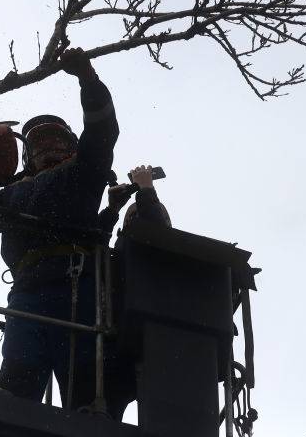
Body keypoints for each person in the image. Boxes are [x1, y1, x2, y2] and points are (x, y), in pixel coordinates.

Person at [0, 47, 119, 411]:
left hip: (77, 286)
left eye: (57, 141)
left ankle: (90, 409)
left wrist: (88, 78)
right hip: (28, 288)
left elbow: (102, 131)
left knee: (83, 371)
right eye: (39, 144)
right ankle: (11, 409)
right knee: (20, 368)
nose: (48, 147)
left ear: (71, 148)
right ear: (26, 156)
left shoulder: (83, 174)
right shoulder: (15, 192)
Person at [101, 164, 172, 421]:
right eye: (131, 218)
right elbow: (94, 238)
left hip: (147, 339)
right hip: (120, 340)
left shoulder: (162, 249)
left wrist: (145, 190)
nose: (135, 220)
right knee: (110, 408)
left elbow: (155, 230)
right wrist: (113, 209)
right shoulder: (117, 253)